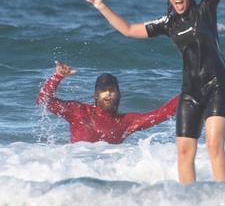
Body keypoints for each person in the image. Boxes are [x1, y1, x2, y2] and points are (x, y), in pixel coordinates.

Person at [84, 0, 225, 184]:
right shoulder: (168, 23)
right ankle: (189, 200)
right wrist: (101, 6)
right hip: (191, 92)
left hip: (217, 87)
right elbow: (129, 30)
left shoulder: (205, 11)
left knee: (213, 145)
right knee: (185, 151)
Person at [37, 61, 179, 144]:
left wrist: (191, 90)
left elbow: (163, 113)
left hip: (107, 174)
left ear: (119, 94)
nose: (108, 94)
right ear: (96, 95)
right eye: (103, 90)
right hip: (77, 170)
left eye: (112, 90)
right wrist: (57, 77)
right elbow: (43, 100)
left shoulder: (126, 122)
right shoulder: (79, 112)